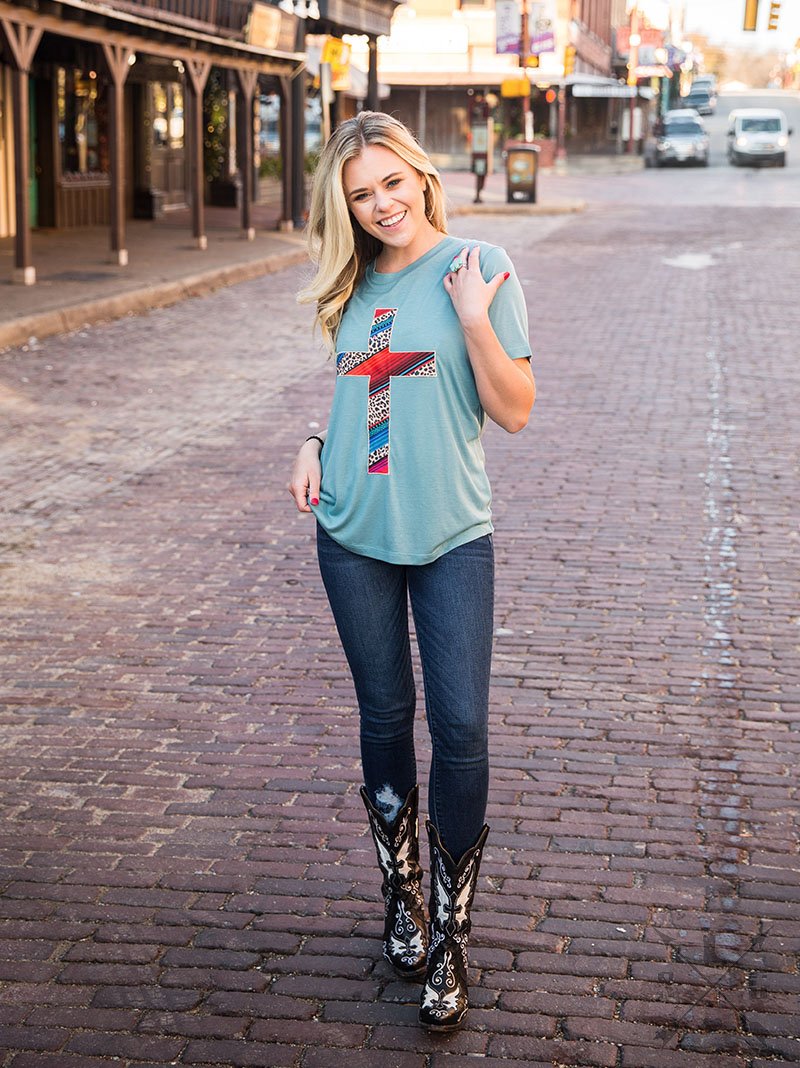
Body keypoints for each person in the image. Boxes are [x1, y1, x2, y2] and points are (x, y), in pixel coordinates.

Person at [288, 111, 534, 1032]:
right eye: (360, 195)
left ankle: (452, 935)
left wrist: (474, 322)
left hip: (451, 534)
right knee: (385, 715)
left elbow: (514, 410)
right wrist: (314, 438)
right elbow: (361, 392)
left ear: (422, 177)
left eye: (392, 183)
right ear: (344, 207)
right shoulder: (352, 285)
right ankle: (401, 899)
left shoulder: (481, 267)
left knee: (462, 725)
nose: (381, 204)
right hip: (349, 530)